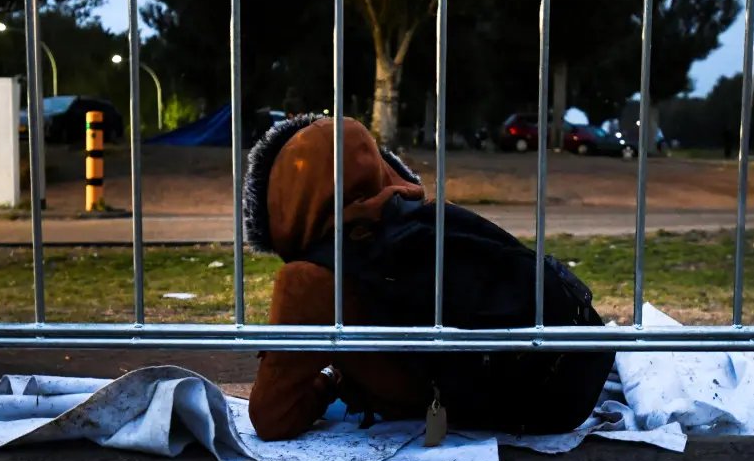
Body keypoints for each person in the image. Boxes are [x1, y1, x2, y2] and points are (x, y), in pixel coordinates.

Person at [244, 116, 610, 441]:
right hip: (569, 388)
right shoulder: (436, 219)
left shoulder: (310, 280)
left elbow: (271, 418)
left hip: (515, 408)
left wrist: (329, 379)